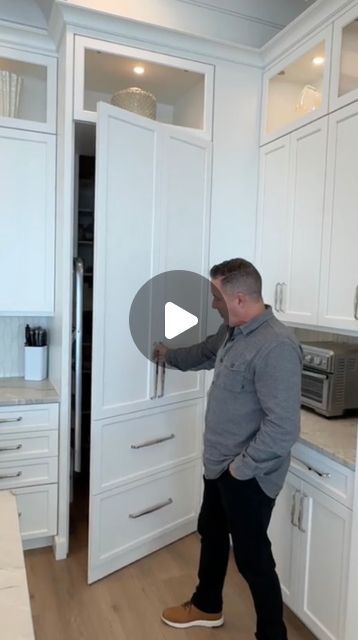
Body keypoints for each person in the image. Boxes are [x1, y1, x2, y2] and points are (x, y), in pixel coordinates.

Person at [155, 258, 302, 640]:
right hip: (219, 466)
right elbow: (203, 353)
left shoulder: (277, 347)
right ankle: (207, 605)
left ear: (238, 298)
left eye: (216, 297)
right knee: (213, 532)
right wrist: (167, 356)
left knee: (253, 559)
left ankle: (272, 634)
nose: (213, 304)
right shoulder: (232, 332)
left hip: (247, 474)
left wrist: (240, 469)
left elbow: (283, 428)